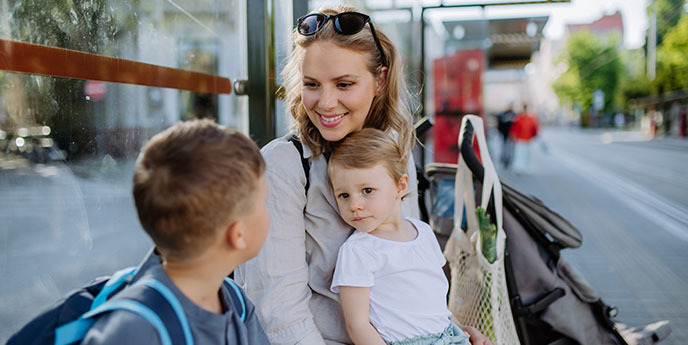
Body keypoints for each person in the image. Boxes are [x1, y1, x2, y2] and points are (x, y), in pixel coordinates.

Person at [235, 5, 491, 345]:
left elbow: (409, 275)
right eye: (312, 84)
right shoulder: (283, 166)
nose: (326, 103)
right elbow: (280, 313)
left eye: (344, 84)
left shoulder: (393, 151)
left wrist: (453, 329)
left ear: (379, 80)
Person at [82, 119, 270, 345]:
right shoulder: (133, 332)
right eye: (264, 203)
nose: (268, 212)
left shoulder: (234, 299)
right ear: (238, 234)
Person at [329, 129, 482, 345]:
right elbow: (358, 326)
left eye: (367, 190)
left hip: (450, 337)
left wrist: (460, 329)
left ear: (400, 186)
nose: (354, 205)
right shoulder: (358, 251)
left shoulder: (424, 233)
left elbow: (436, 301)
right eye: (344, 195)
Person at [509, 104, 539, 173]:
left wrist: (534, 135)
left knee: (526, 154)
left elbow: (534, 128)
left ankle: (525, 167)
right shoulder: (519, 118)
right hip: (520, 139)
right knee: (519, 153)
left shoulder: (530, 118)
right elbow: (514, 128)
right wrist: (513, 136)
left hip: (527, 139)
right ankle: (519, 167)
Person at [497, 104, 516, 169]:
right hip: (505, 134)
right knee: (505, 147)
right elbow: (500, 124)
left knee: (508, 148)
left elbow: (516, 125)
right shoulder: (504, 114)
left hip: (511, 135)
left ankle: (508, 160)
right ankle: (504, 160)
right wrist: (500, 131)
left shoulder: (514, 114)